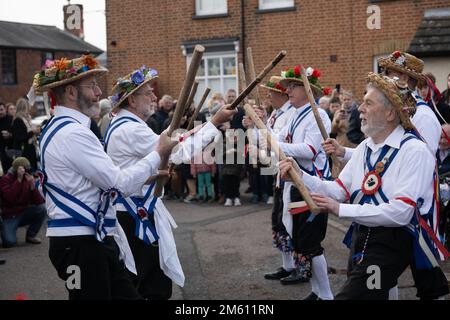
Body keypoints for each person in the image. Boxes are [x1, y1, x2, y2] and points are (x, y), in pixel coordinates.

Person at [280, 73, 449, 300]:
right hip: (362, 235)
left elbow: (401, 212)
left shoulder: (414, 151)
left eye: (368, 103)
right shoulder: (364, 148)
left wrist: (340, 209)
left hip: (393, 240)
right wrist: (300, 176)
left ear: (390, 113)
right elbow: (338, 190)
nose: (360, 108)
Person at [30, 54, 178, 300]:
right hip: (78, 244)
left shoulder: (61, 128)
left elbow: (97, 182)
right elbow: (118, 182)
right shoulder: (73, 134)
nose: (99, 92)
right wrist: (157, 154)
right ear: (70, 92)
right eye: (92, 86)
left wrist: (148, 176)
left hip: (91, 241)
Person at [105, 65, 236, 299]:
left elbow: (162, 143)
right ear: (132, 100)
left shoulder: (125, 125)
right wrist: (214, 122)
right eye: (148, 93)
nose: (154, 97)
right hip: (136, 214)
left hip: (130, 211)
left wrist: (177, 132)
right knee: (153, 285)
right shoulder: (131, 130)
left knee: (141, 280)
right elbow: (177, 152)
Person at [257, 65, 333, 296]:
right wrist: (264, 133)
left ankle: (326, 295)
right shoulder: (294, 115)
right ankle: (317, 291)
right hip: (295, 185)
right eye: (288, 86)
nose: (287, 90)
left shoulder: (318, 116)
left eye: (293, 86)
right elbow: (277, 140)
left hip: (313, 186)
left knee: (310, 244)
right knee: (300, 242)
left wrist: (276, 144)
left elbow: (309, 150)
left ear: (307, 89)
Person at [246, 76, 298, 283]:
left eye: (270, 92)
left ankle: (299, 267)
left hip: (291, 174)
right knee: (278, 221)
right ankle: (287, 266)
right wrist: (253, 125)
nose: (267, 95)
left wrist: (261, 126)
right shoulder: (276, 113)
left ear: (281, 94)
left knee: (291, 222)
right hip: (278, 172)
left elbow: (275, 140)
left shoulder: (291, 114)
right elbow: (261, 140)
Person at [0, 157, 46, 247]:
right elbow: (10, 198)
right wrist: (19, 180)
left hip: (23, 213)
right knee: (10, 242)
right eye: (24, 169)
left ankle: (31, 235)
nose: (27, 171)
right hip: (10, 216)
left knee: (42, 209)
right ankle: (4, 229)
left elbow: (39, 202)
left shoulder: (27, 178)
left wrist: (33, 187)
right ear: (17, 169)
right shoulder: (5, 179)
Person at [11, 98, 39, 170]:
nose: (28, 109)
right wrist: (32, 132)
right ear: (24, 107)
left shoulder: (26, 119)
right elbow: (19, 137)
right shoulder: (18, 120)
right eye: (27, 107)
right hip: (23, 152)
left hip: (29, 149)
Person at [0, 102, 13, 173]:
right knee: (6, 172)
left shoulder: (11, 119)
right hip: (2, 151)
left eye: (1, 109)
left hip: (13, 149)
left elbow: (17, 134)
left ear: (5, 109)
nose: (0, 112)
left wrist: (10, 134)